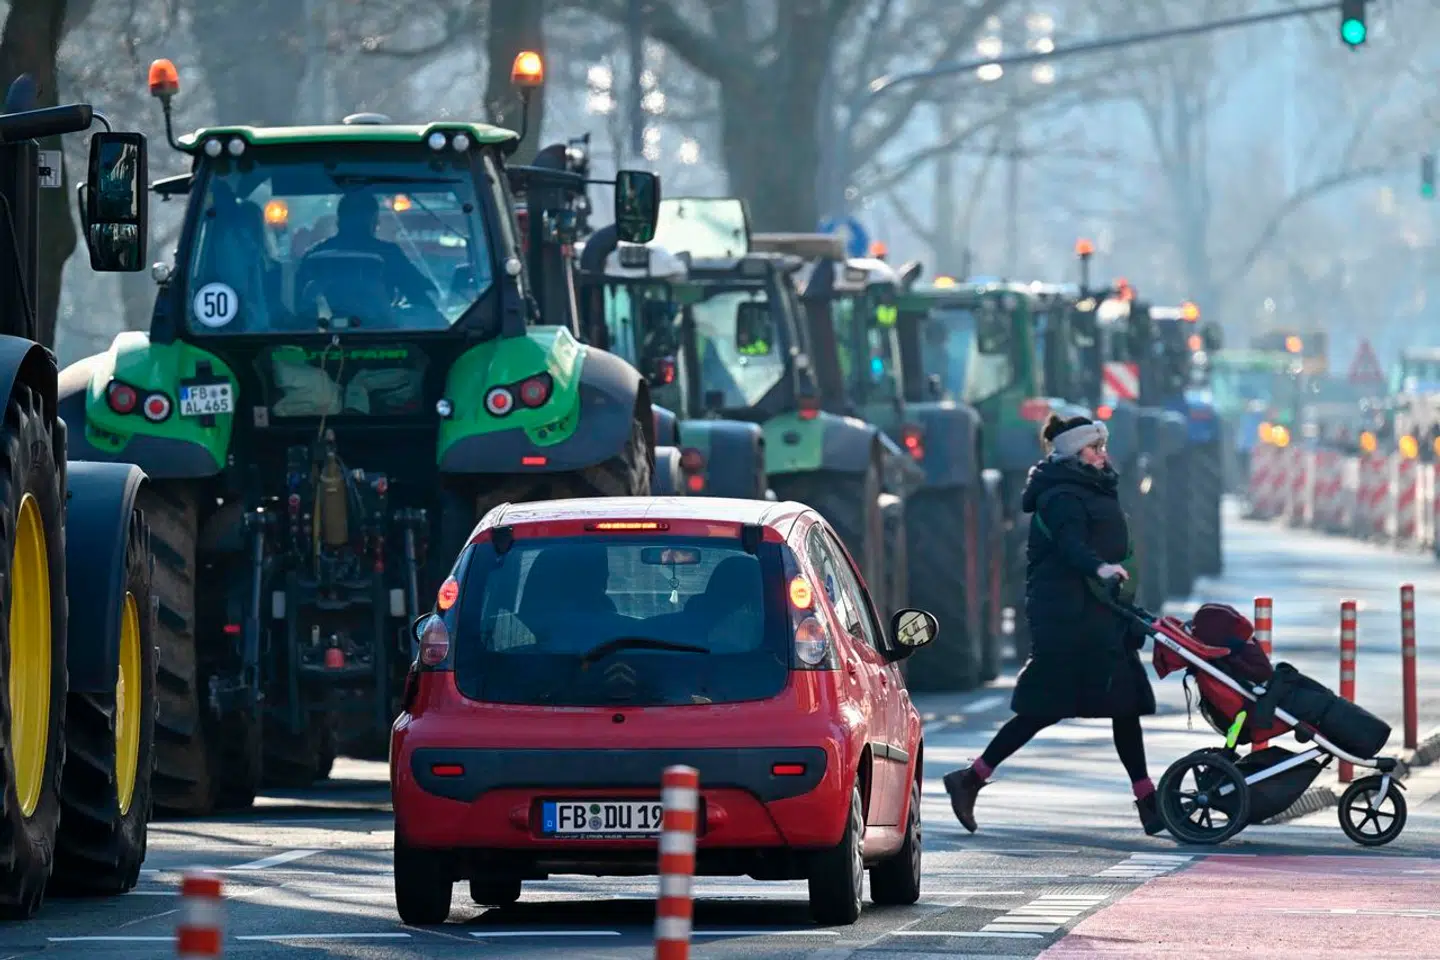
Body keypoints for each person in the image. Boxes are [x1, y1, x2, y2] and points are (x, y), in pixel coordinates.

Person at [943, 413, 1163, 836]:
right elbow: (1070, 544)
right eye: (1094, 449)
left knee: (1124, 705)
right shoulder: (1061, 495)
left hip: (1098, 614)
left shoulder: (1091, 487)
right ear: (1072, 454)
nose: (1103, 455)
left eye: (1103, 447)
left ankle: (1148, 800)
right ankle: (970, 778)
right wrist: (1099, 568)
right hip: (1067, 619)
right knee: (1041, 709)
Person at [297, 191, 438, 313]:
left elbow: (294, 302)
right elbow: (422, 298)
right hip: (382, 336)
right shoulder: (389, 254)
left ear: (338, 221)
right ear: (375, 222)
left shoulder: (314, 255)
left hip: (320, 337)